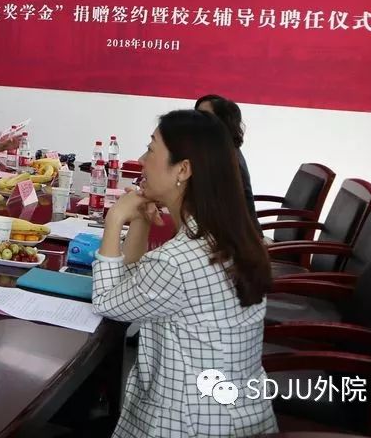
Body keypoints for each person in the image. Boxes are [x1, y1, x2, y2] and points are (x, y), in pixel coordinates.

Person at [92, 110, 275, 438]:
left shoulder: (177, 262)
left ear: (183, 170)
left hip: (187, 423)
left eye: (151, 150)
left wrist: (115, 219)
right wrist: (141, 220)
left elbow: (107, 302)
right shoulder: (232, 237)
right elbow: (135, 288)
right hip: (240, 415)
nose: (142, 160)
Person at [195, 94, 254, 219]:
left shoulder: (226, 159)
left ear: (223, 123)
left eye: (204, 116)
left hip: (234, 228)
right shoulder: (216, 150)